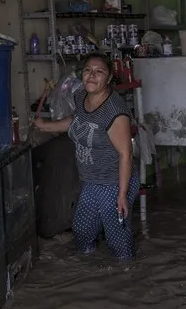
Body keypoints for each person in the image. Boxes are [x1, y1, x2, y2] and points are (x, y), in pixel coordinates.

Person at [34, 54, 139, 259]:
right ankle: (90, 269)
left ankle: (127, 271)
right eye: (88, 70)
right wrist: (46, 126)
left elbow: (125, 154)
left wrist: (122, 195)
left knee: (117, 240)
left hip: (113, 182)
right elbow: (76, 121)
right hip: (91, 180)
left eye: (99, 72)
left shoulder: (114, 111)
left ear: (109, 78)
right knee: (82, 230)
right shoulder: (81, 96)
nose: (92, 75)